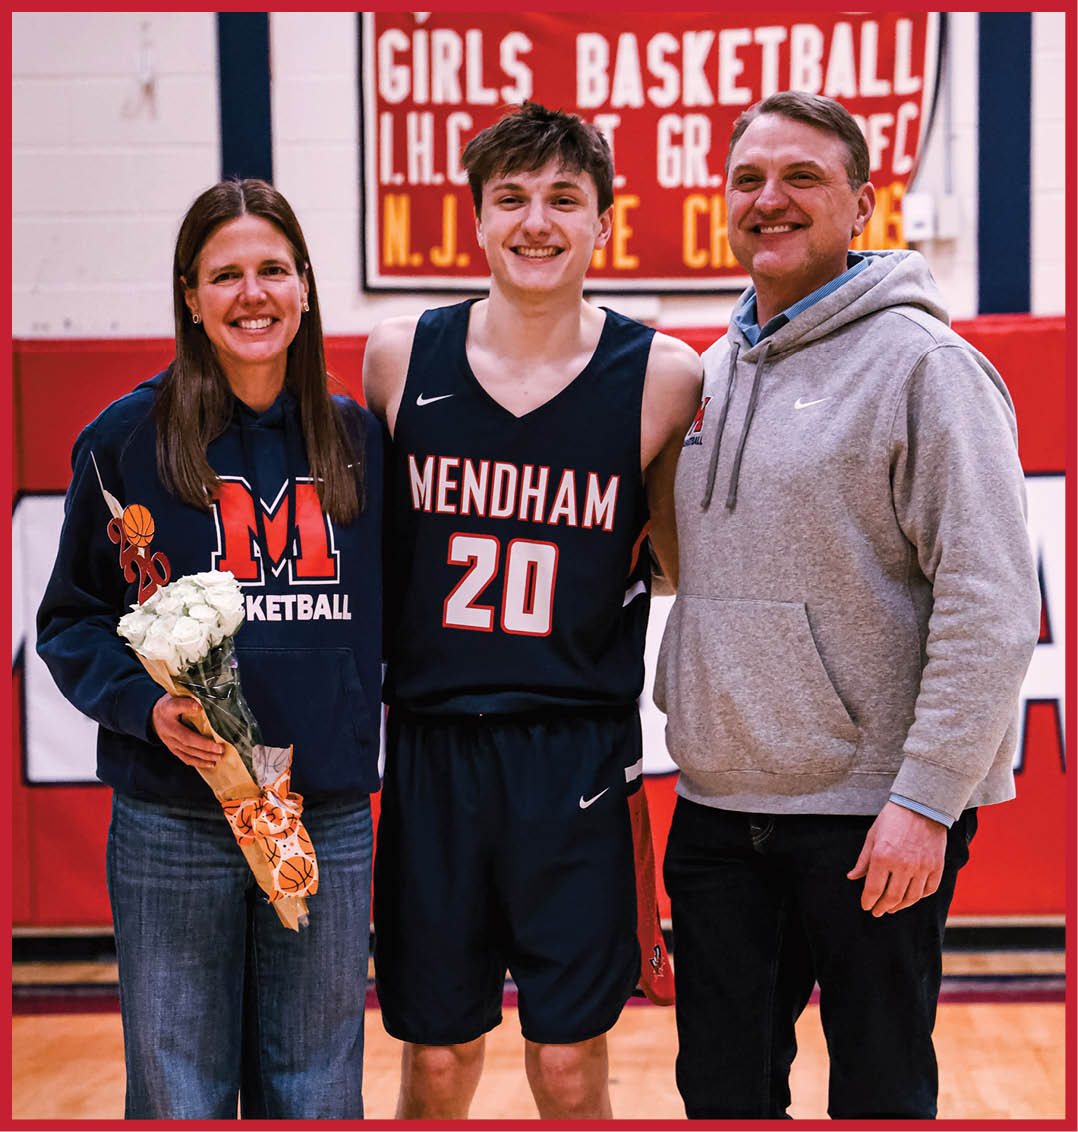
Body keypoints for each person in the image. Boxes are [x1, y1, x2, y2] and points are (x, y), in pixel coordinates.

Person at [654, 91, 1041, 1120]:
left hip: (870, 819)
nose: (768, 200)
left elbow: (993, 600)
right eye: (748, 179)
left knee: (877, 1094)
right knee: (720, 1096)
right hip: (716, 809)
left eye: (801, 178)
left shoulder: (928, 366)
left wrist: (925, 799)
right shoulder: (703, 373)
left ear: (860, 206)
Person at [362, 101, 701, 1120]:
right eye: (510, 198)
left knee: (565, 1061)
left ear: (606, 220)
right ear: (476, 218)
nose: (536, 221)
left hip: (576, 760)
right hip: (433, 749)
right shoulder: (395, 360)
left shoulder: (664, 377)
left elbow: (681, 564)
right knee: (434, 1058)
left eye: (564, 198)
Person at [36, 179, 383, 1120]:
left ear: (306, 286)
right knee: (178, 1093)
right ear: (190, 295)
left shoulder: (356, 441)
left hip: (325, 820)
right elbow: (69, 623)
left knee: (314, 1093)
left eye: (273, 269)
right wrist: (143, 706)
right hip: (174, 822)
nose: (252, 293)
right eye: (225, 274)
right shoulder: (123, 442)